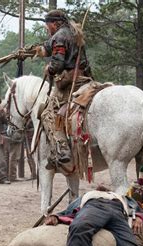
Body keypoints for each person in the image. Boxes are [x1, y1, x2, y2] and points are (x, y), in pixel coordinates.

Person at [33, 9, 92, 168]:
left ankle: (63, 149)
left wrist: (48, 69)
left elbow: (58, 63)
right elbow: (48, 47)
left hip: (70, 82)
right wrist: (38, 50)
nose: (47, 28)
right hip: (85, 77)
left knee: (47, 113)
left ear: (53, 23)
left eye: (47, 25)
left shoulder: (59, 36)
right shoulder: (74, 33)